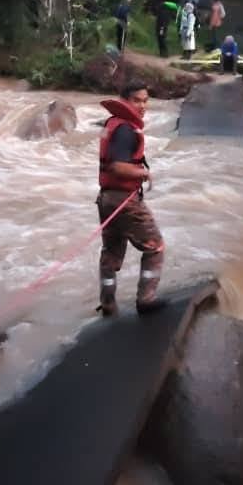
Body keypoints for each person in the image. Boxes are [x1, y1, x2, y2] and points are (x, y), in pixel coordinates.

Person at [96, 81, 165, 317]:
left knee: (111, 253)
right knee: (155, 247)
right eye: (137, 100)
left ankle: (107, 304)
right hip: (124, 201)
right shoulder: (126, 130)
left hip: (106, 199)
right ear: (125, 100)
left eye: (146, 100)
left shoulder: (114, 124)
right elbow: (117, 167)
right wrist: (143, 173)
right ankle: (146, 300)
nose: (143, 105)